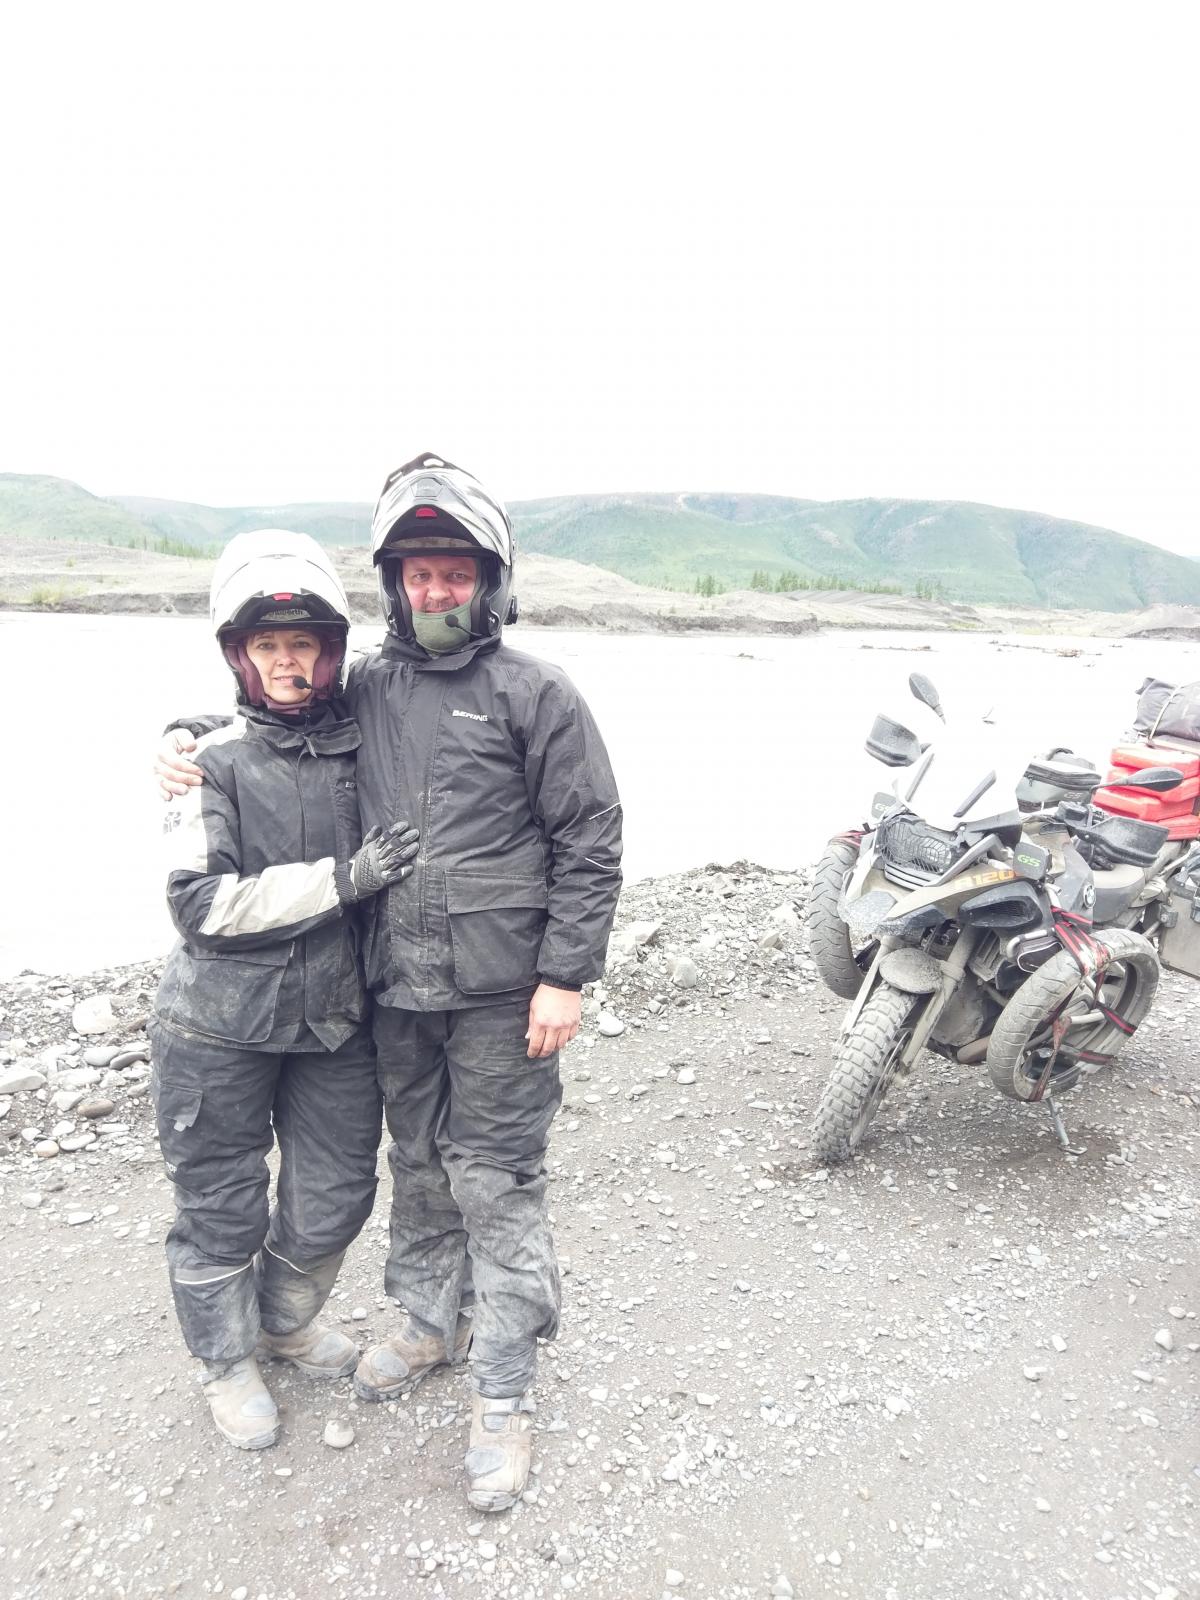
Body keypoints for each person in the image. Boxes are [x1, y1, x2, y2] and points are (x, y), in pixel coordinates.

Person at [159, 455, 623, 1509]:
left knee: (495, 1181)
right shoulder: (365, 684)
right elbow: (271, 709)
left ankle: (504, 1392)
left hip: (505, 997)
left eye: (455, 573)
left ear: (490, 580)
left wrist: (565, 975)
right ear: (394, 585)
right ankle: (426, 1320)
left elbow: (591, 839)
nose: (436, 589)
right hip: (398, 995)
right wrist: (178, 740)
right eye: (419, 574)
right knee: (416, 1164)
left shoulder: (539, 692)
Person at [153, 529, 418, 1451]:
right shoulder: (204, 762)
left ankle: (281, 1323)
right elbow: (198, 906)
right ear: (239, 655)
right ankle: (226, 1360)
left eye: (301, 643)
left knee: (338, 1191)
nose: (285, 661)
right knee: (220, 1201)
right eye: (266, 645)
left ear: (331, 651)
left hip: (334, 1021)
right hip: (216, 1026)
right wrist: (346, 880)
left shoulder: (365, 744)